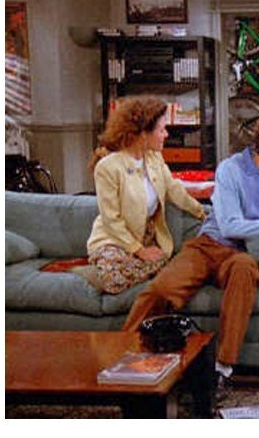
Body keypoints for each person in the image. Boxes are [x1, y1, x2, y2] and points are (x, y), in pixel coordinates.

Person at [122, 107, 259, 393]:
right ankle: (120, 352)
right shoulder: (231, 170)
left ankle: (222, 368)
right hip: (209, 245)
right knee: (160, 290)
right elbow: (230, 225)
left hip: (242, 255)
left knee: (244, 270)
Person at [86, 96, 206, 295]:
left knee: (164, 261)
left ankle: (121, 270)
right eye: (161, 130)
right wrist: (139, 251)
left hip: (144, 239)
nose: (166, 135)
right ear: (143, 134)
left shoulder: (154, 158)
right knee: (113, 278)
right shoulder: (108, 167)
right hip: (114, 240)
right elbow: (111, 220)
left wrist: (201, 212)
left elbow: (173, 189)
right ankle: (101, 272)